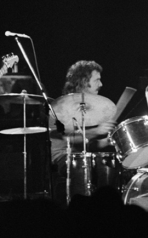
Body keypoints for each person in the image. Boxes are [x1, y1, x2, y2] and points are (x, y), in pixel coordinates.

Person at [49, 60, 117, 207]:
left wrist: (107, 142)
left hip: (83, 155)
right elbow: (67, 138)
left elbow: (85, 142)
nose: (101, 84)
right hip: (63, 156)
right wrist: (96, 131)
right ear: (84, 81)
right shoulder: (62, 107)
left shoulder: (88, 108)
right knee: (91, 166)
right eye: (97, 80)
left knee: (110, 162)